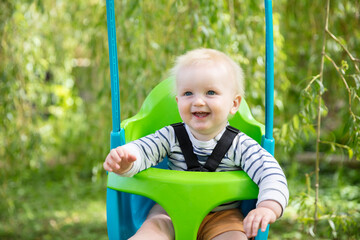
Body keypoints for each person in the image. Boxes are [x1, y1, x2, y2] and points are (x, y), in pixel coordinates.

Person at [103, 48, 289, 240]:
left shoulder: (240, 145)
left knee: (234, 236)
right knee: (154, 228)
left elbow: (270, 172)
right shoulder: (170, 136)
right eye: (188, 93)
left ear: (234, 104)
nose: (198, 101)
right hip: (170, 211)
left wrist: (268, 207)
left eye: (210, 92)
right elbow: (144, 150)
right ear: (178, 102)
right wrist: (127, 160)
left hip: (222, 217)